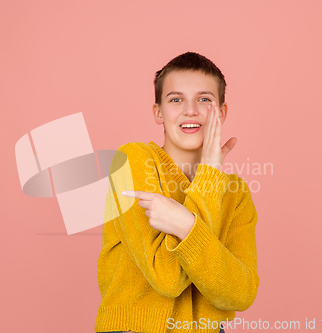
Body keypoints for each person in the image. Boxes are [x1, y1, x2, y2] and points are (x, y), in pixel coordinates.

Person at [95, 52, 260, 333]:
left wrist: (185, 224)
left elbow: (241, 293)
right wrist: (208, 181)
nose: (191, 110)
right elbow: (168, 278)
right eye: (175, 99)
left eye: (204, 99)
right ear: (158, 112)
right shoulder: (133, 159)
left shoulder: (236, 193)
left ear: (221, 112)